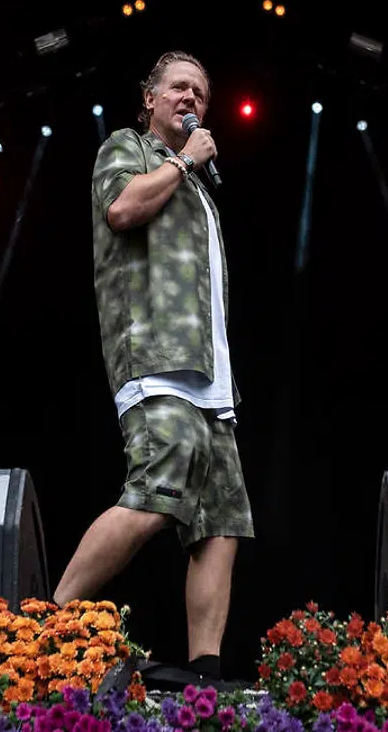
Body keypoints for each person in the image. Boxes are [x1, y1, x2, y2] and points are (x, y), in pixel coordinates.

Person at [52, 50, 254, 684]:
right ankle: (46, 619)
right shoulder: (130, 149)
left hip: (208, 376)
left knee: (221, 521)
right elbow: (121, 209)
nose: (190, 98)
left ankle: (205, 672)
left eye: (200, 92)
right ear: (149, 98)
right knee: (158, 493)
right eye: (178, 87)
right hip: (156, 358)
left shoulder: (198, 190)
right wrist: (184, 159)